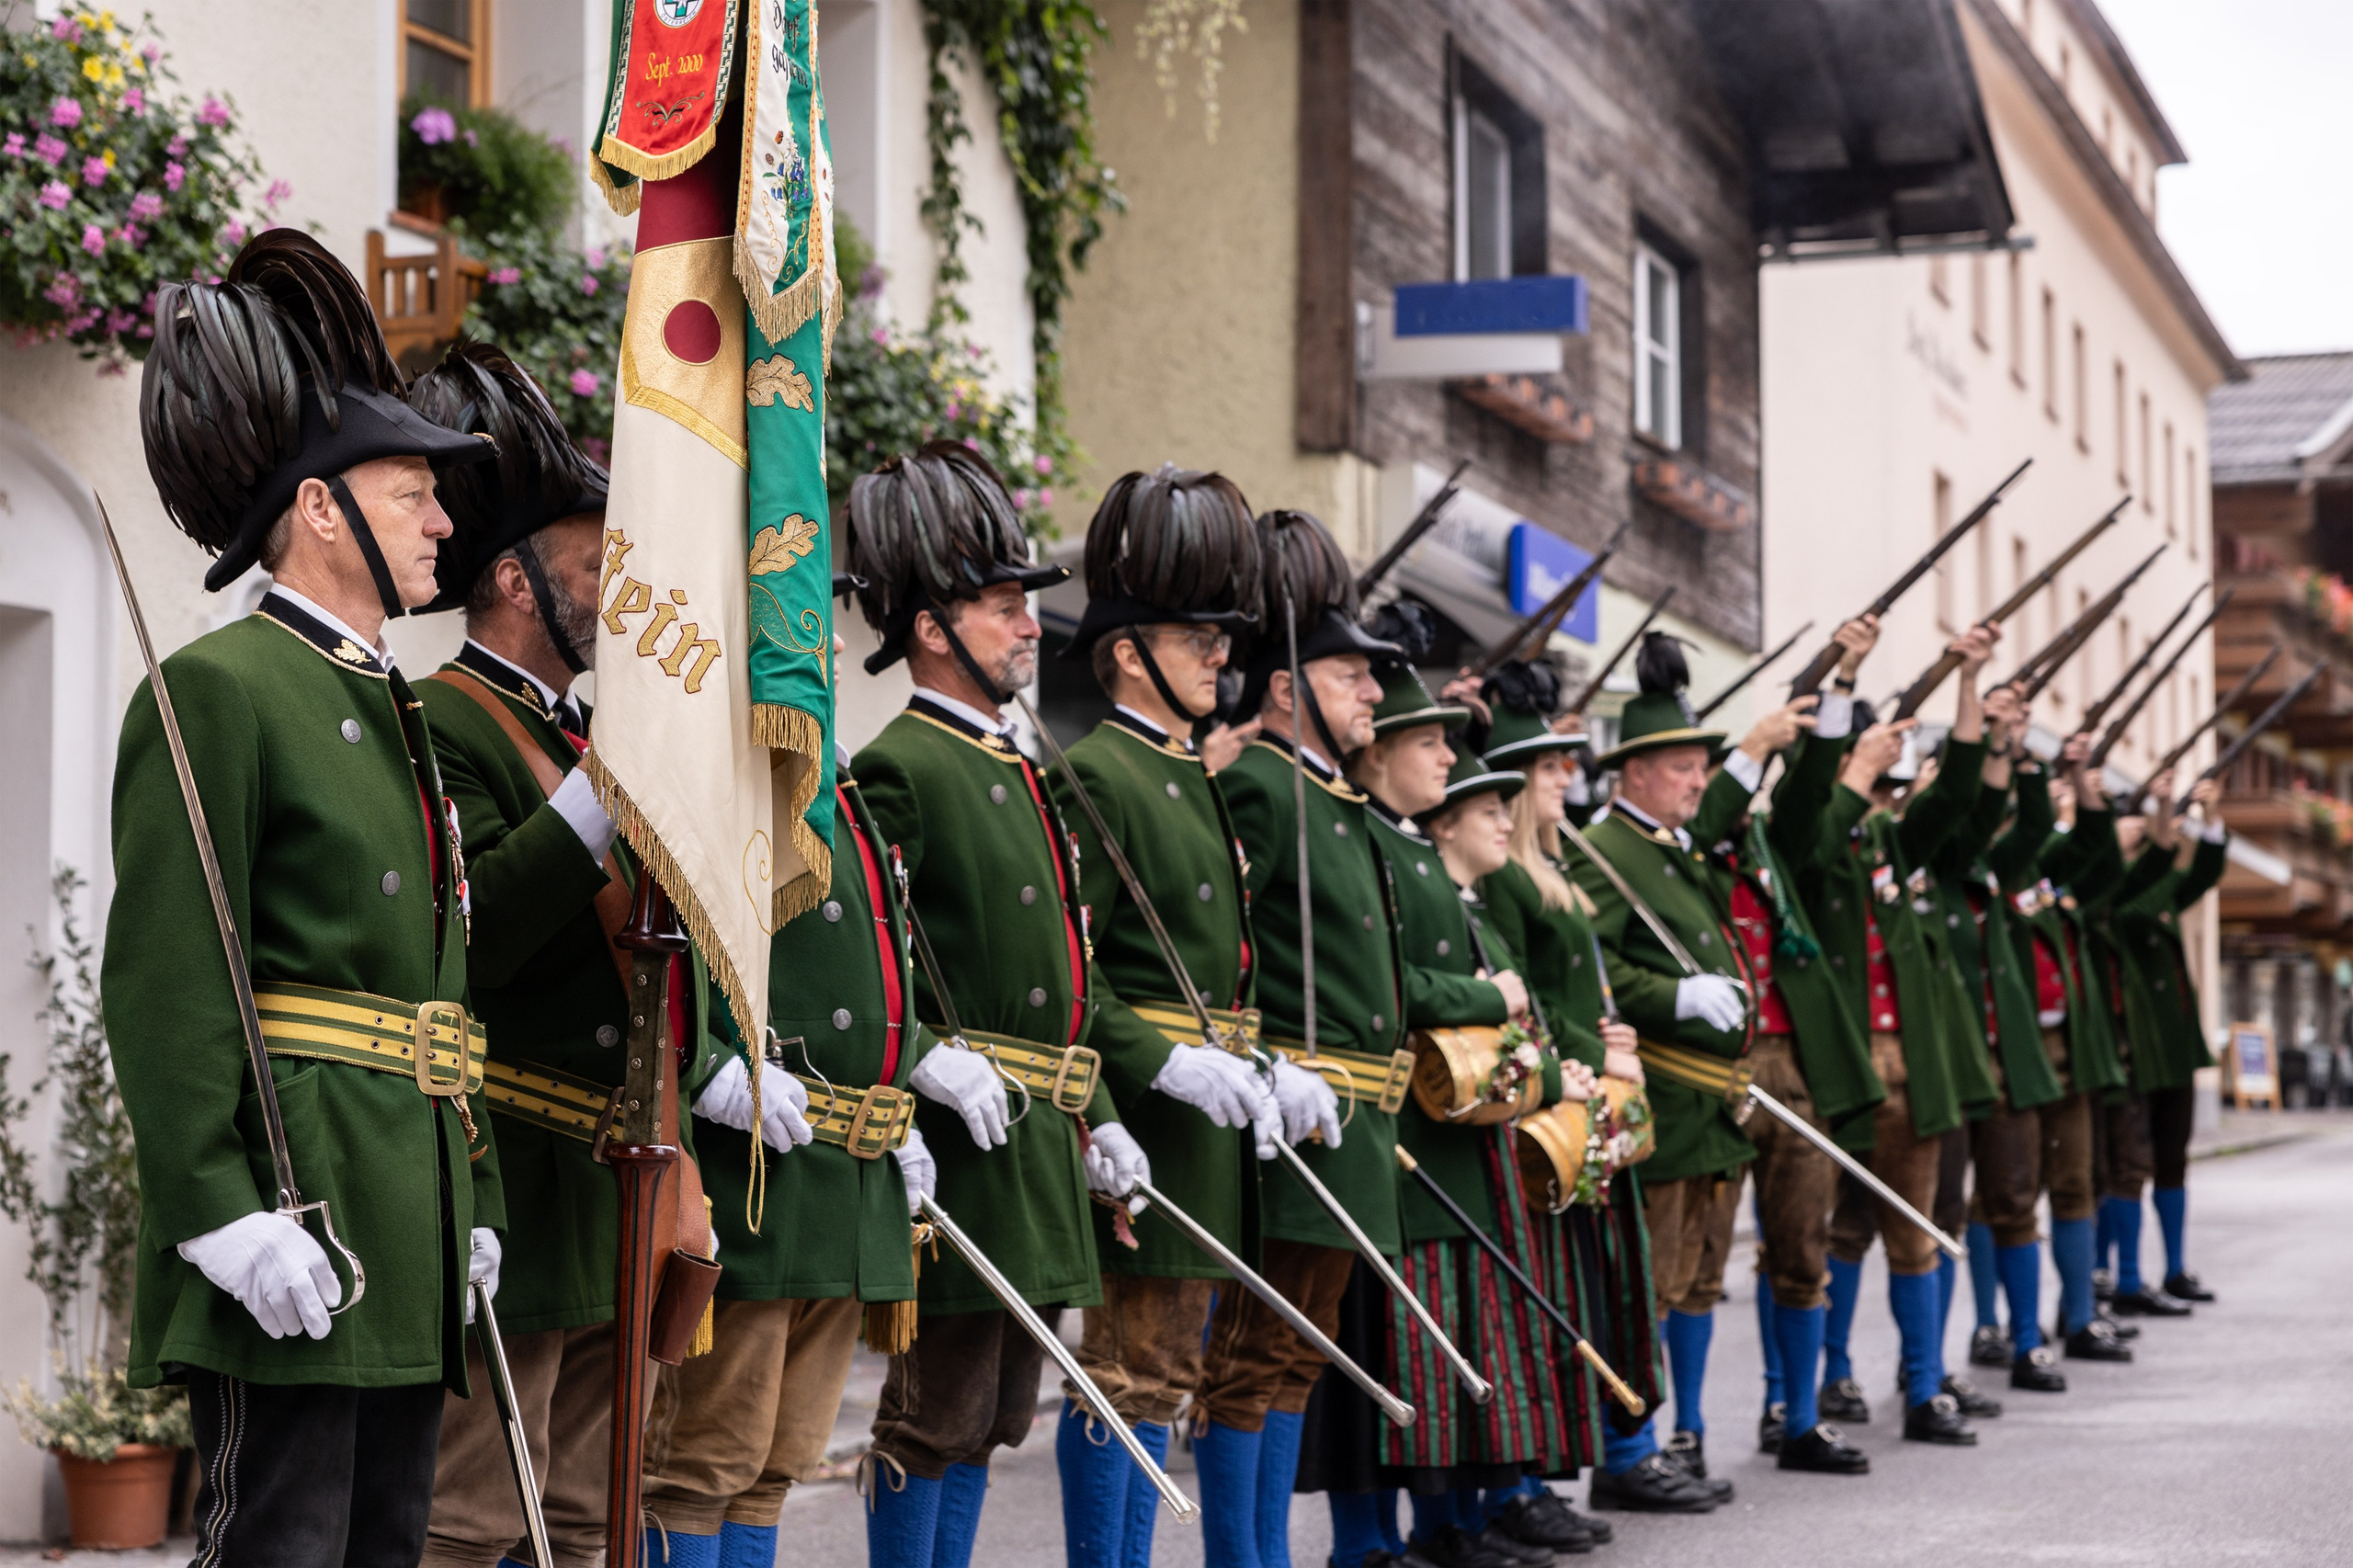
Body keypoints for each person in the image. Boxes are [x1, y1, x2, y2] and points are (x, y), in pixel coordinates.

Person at [108, 229, 501, 1557]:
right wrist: (215, 1207)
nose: (445, 521)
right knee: (280, 1542)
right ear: (322, 508)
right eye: (414, 495)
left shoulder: (395, 706)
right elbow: (167, 983)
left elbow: (434, 992)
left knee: (385, 1542)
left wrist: (474, 1200)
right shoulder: (225, 689)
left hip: (402, 1203)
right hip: (297, 1203)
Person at [404, 340, 704, 1568]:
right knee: (468, 1518)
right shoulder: (441, 721)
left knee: (590, 1518)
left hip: (607, 1186)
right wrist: (598, 802)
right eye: (592, 567)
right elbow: (478, 934)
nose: (614, 593)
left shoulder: (572, 731)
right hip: (515, 1173)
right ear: (515, 583)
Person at [843, 442, 1142, 1568]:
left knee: (996, 1415)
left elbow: (1071, 972)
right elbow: (869, 964)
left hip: (1037, 1143)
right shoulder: (898, 767)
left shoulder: (1018, 764)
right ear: (931, 627)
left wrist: (1102, 1111)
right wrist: (919, 1058)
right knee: (934, 1412)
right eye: (1002, 604)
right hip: (961, 1145)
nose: (1029, 625)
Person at [636, 585, 932, 1566]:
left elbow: (886, 970)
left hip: (840, 1169)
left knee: (777, 1461)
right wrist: (711, 1062)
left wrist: (908, 1095)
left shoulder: (836, 783)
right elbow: (660, 940)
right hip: (753, 1172)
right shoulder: (715, 773)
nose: (826, 652)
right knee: (701, 1457)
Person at [1047, 466, 1283, 1568]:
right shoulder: (1095, 773)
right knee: (1130, 1372)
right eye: (1197, 639)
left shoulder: (1186, 775)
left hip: (1207, 1132)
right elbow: (1068, 977)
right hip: (1146, 1114)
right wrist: (1159, 1068)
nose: (1221, 657)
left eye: (1221, 639)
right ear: (1129, 652)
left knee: (1172, 1375)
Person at [1195, 508, 1408, 1568]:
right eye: (1352, 673)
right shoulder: (1256, 787)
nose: (1375, 691)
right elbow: (1222, 953)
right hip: (1290, 1120)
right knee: (1247, 1357)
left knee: (1296, 1355)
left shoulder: (1335, 797)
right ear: (1286, 686)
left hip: (1351, 1120)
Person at [1352, 675, 1576, 1568]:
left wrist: (1539, 1054)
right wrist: (1490, 997)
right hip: (1417, 1140)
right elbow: (1393, 986)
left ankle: (1453, 1522)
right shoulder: (1388, 853)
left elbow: (1537, 1032)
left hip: (1474, 1144)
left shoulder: (1435, 874)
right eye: (1436, 753)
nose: (1496, 814)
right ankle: (1381, 1538)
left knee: (1468, 1354)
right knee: (1406, 1365)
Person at [1561, 633, 1756, 1513]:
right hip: (1662, 1104)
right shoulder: (1603, 850)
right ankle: (1631, 1444)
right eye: (1682, 768)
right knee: (1656, 1287)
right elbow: (1591, 969)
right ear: (1633, 772)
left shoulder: (1675, 850)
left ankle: (1688, 1432)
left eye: (1699, 769)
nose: (1695, 784)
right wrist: (1675, 998)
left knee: (1702, 1281)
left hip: (1713, 1110)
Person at [1805, 624, 1999, 1446]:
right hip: (1846, 1068)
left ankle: (1924, 1389)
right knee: (1842, 1229)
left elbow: (1956, 794)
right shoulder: (1809, 838)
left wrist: (1966, 680)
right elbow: (1818, 833)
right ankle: (1836, 1373)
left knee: (1918, 1229)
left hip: (1911, 1070)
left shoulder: (1889, 837)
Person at [1472, 663, 1649, 1550]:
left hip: (1583, 1093)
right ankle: (1519, 1482)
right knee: (1541, 1292)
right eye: (1547, 767)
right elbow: (1523, 995)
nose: (1565, 777)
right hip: (1544, 1098)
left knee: (1583, 1286)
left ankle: (1550, 1469)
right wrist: (1576, 1060)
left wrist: (1609, 1045)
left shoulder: (1554, 865)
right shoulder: (1509, 876)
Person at [1703, 626, 1884, 1474]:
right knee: (1697, 1259)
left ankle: (1796, 1412)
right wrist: (1750, 748)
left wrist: (1843, 678)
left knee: (1800, 1245)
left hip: (1793, 1062)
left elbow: (1810, 793)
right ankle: (1686, 1431)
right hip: (1719, 1069)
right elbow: (1705, 819)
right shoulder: (1690, 850)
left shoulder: (1767, 844)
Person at [2097, 775, 2229, 1314]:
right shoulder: (2112, 892)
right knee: (2126, 1165)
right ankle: (2118, 1276)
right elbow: (2145, 893)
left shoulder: (2158, 888)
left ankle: (2173, 1267)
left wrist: (2207, 820)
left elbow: (2202, 873)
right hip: (2134, 1050)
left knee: (2172, 1161)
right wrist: (2159, 829)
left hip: (2171, 1049)